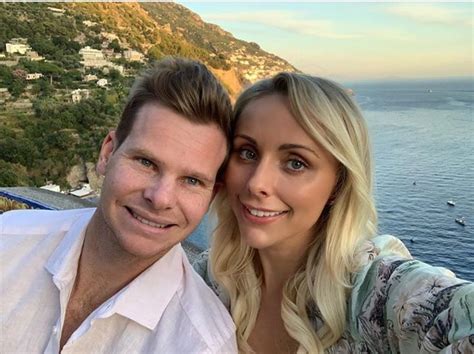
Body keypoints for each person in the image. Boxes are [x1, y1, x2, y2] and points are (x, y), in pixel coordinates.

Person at [194, 72, 474, 353]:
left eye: (295, 163)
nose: (256, 183)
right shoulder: (211, 277)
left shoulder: (377, 294)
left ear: (338, 185)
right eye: (247, 153)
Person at [1, 57, 237, 353]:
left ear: (211, 196)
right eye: (146, 162)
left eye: (191, 181)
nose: (160, 197)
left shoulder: (202, 345)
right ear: (107, 153)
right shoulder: (6, 242)